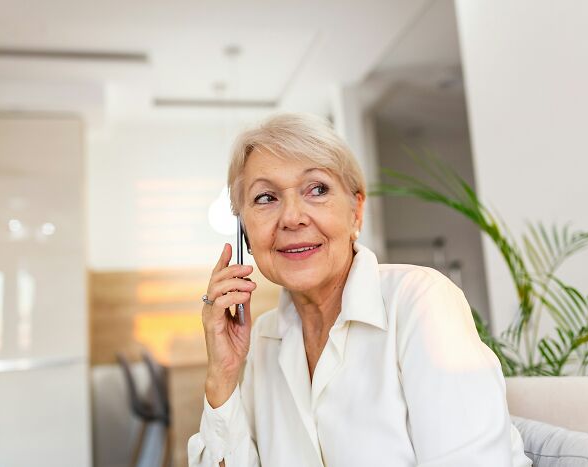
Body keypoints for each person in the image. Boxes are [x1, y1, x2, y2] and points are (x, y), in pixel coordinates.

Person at [188, 113, 531, 467]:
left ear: (356, 212)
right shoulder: (263, 337)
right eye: (265, 198)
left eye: (317, 189)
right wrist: (222, 375)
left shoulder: (419, 302)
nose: (292, 217)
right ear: (244, 232)